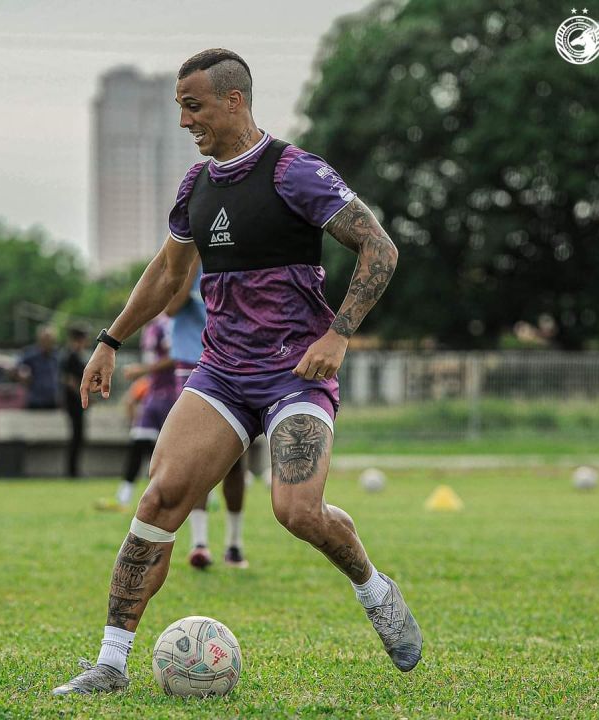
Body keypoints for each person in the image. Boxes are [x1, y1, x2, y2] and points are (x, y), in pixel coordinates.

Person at [52, 48, 421, 696]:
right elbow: (168, 274)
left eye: (193, 106)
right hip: (221, 374)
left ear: (234, 101)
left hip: (295, 373)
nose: (184, 121)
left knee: (297, 511)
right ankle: (111, 663)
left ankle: (374, 588)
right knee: (160, 499)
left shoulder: (294, 171)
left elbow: (380, 248)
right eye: (179, 108)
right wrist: (111, 340)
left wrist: (338, 334)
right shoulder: (195, 186)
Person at [165, 260, 248, 569]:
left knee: (236, 459)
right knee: (194, 456)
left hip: (234, 364)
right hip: (192, 366)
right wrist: (193, 259)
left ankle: (234, 544)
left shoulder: (236, 257)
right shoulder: (186, 260)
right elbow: (171, 307)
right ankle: (199, 543)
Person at [109, 314, 177, 509]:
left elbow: (177, 356)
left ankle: (204, 495)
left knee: (178, 449)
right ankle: (124, 496)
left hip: (173, 394)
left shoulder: (166, 325)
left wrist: (144, 370)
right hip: (153, 394)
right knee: (138, 441)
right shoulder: (148, 328)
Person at [60, 324, 90, 478]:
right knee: (76, 436)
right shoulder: (71, 356)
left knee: (78, 436)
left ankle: (74, 470)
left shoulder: (76, 355)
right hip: (73, 402)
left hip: (77, 402)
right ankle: (72, 471)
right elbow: (69, 380)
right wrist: (82, 395)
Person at [16, 325, 60, 410]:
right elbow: (19, 366)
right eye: (45, 340)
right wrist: (23, 373)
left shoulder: (57, 355)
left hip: (53, 400)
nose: (47, 343)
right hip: (35, 400)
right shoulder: (31, 355)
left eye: (50, 340)